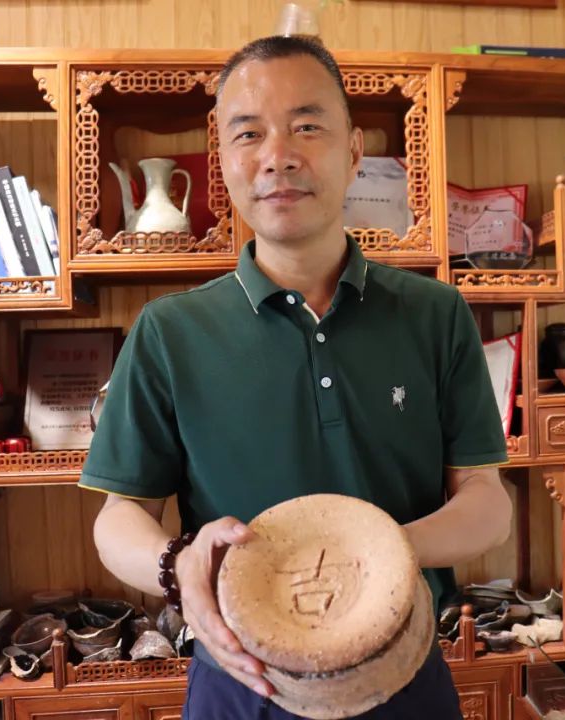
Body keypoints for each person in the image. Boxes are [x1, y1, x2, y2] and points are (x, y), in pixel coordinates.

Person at [79, 34, 513, 719]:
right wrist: (179, 563)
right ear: (223, 162)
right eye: (248, 133)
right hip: (242, 683)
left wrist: (380, 553)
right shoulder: (169, 331)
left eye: (307, 127)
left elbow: (487, 502)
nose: (278, 156)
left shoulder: (436, 313)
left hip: (402, 671)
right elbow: (118, 517)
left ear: (354, 151)